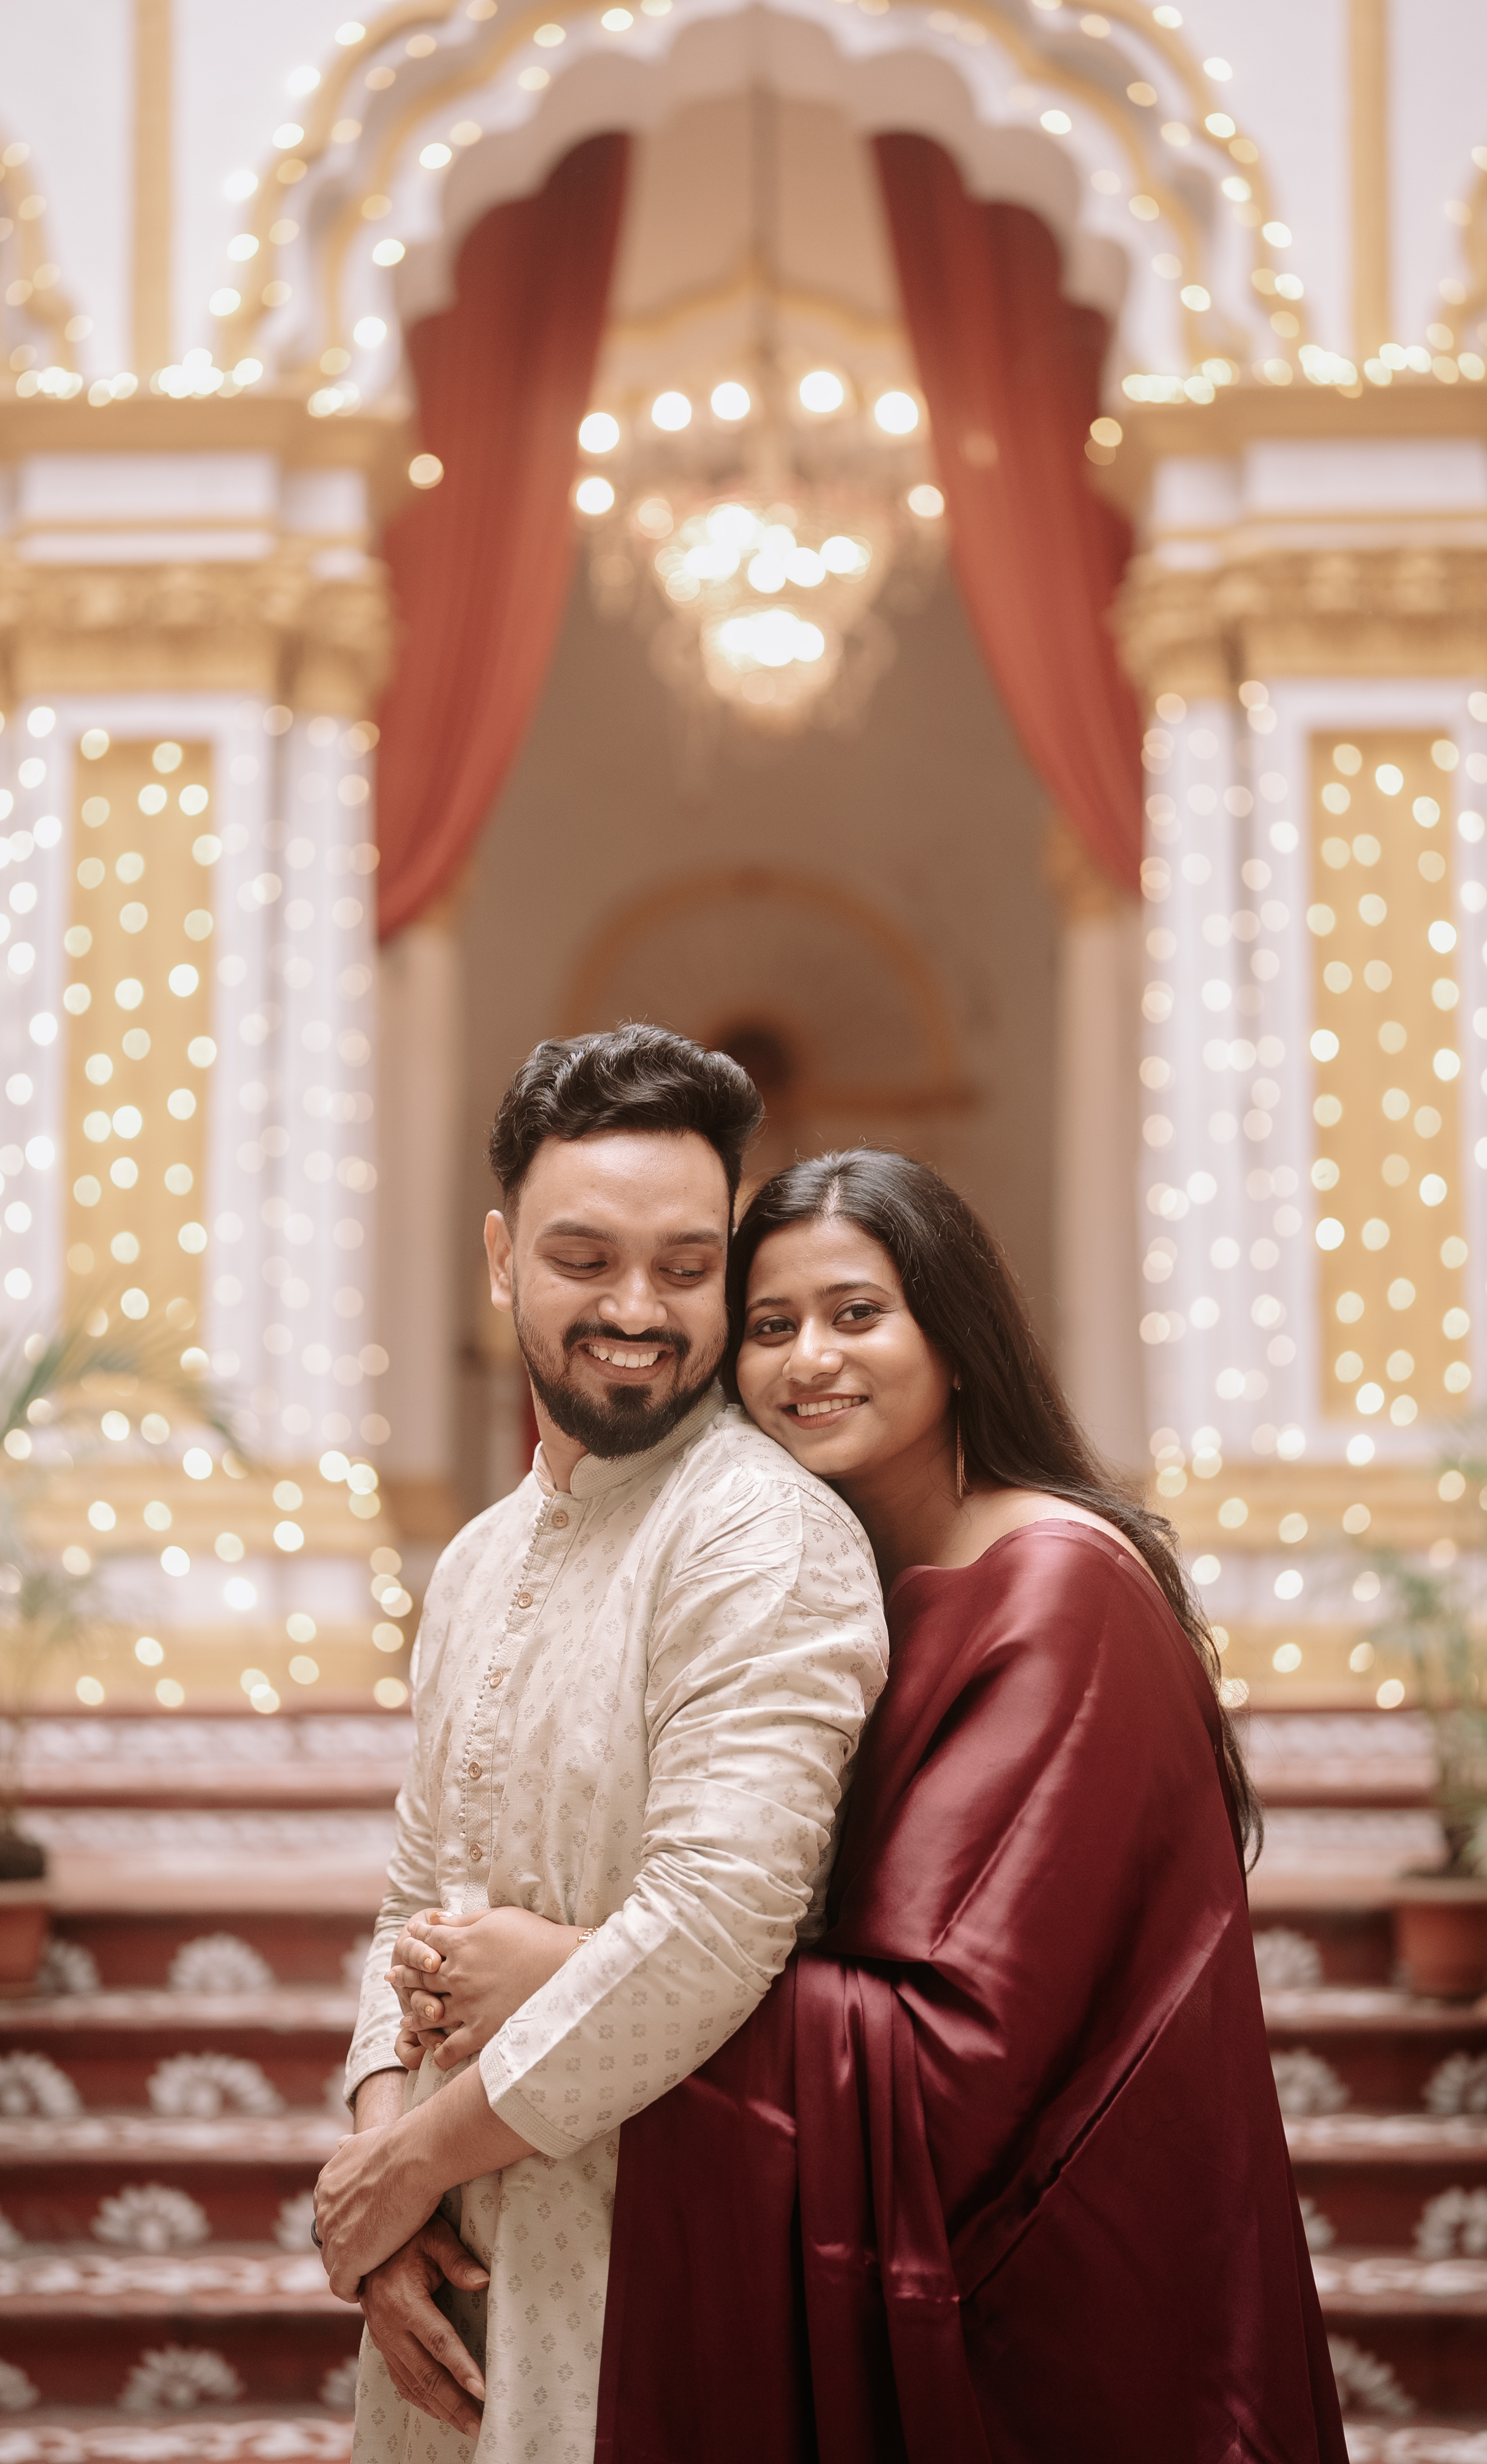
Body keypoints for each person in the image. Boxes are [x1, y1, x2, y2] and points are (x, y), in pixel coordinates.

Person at [397, 1148, 1348, 2463]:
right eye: (771, 1326)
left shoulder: (1059, 1596)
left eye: (857, 1314)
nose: (807, 1362)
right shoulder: (822, 1576)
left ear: (952, 1332)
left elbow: (961, 2058)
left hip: (1051, 2287)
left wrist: (570, 1973)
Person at [315, 1031, 888, 2463]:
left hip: (657, 2256)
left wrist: (399, 2171)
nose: (636, 1309)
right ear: (502, 1259)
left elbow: (710, 1932)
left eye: (687, 1269)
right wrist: (388, 2178)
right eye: (585, 1259)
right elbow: (409, 1905)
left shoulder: (758, 1533)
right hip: (448, 2264)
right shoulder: (474, 1557)